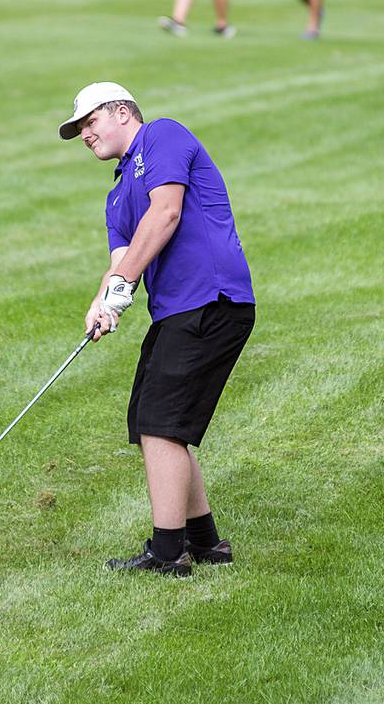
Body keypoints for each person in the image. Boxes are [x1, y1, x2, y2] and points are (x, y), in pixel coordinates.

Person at [58, 81, 255, 576]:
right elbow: (122, 259)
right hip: (177, 311)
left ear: (122, 111)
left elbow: (166, 212)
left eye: (90, 121)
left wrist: (123, 284)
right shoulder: (116, 196)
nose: (85, 133)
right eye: (79, 128)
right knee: (154, 420)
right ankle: (206, 541)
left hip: (212, 298)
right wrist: (103, 302)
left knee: (162, 424)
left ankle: (169, 553)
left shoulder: (162, 135)